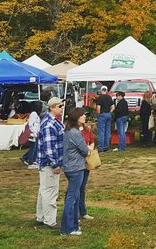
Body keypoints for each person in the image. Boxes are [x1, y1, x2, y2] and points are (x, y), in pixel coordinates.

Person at [60, 108, 92, 236]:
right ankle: (67, 228)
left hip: (70, 167)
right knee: (72, 198)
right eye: (82, 115)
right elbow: (84, 150)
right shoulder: (75, 133)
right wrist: (88, 149)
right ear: (76, 117)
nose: (84, 117)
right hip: (76, 168)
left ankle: (73, 225)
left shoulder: (69, 131)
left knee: (74, 196)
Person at [36, 97, 65, 228]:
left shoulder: (52, 121)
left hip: (48, 163)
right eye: (59, 106)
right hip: (49, 163)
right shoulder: (49, 124)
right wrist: (56, 164)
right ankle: (49, 221)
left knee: (44, 190)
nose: (62, 108)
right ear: (52, 108)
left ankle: (41, 217)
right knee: (50, 191)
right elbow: (49, 148)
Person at [79, 120, 96, 221]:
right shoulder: (73, 131)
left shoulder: (87, 130)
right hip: (77, 162)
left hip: (86, 161)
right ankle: (75, 212)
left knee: (82, 187)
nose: (84, 117)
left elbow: (92, 141)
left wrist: (90, 149)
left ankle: (83, 211)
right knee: (76, 187)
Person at [94, 86, 113, 152]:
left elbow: (98, 108)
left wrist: (98, 114)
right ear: (107, 90)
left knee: (101, 132)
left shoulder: (100, 98)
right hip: (108, 114)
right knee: (107, 131)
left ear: (101, 90)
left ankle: (100, 148)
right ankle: (106, 147)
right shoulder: (109, 97)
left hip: (102, 115)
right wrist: (109, 112)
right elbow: (113, 107)